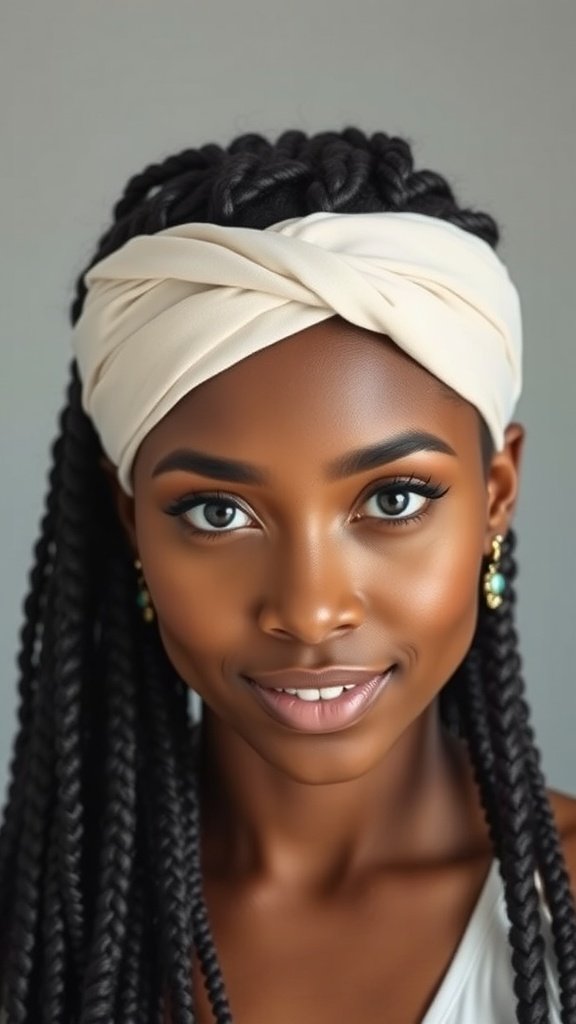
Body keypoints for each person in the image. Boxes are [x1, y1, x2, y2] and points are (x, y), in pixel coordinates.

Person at [0, 128, 575, 1024]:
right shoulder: (38, 934)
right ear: (131, 519)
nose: (309, 611)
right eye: (216, 513)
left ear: (496, 494)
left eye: (393, 500)